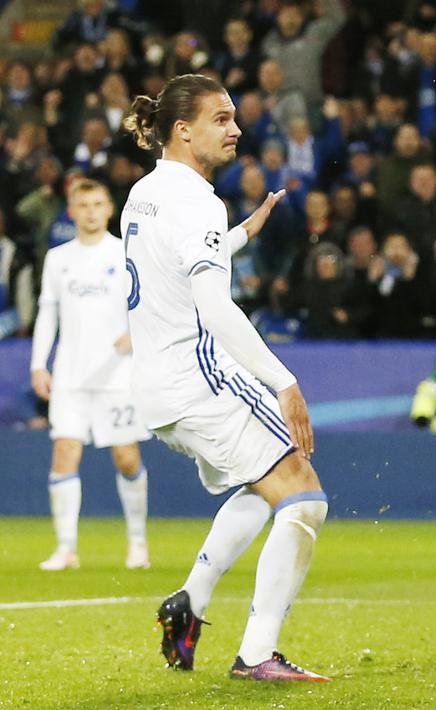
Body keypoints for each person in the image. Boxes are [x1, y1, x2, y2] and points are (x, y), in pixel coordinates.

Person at [120, 74, 329, 682]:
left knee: (261, 488)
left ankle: (188, 603)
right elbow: (214, 309)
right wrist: (284, 381)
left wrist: (237, 235)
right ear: (183, 131)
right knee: (303, 496)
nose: (236, 129)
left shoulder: (144, 193)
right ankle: (257, 654)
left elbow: (170, 267)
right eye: (221, 118)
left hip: (157, 389)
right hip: (202, 376)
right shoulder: (200, 201)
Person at [28, 179, 152, 571]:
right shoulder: (58, 258)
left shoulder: (125, 253)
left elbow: (148, 304)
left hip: (117, 374)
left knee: (126, 458)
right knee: (65, 452)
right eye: (84, 205)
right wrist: (37, 363)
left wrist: (137, 332)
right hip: (69, 373)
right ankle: (66, 548)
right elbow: (47, 312)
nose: (92, 211)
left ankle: (137, 542)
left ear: (110, 208)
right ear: (72, 211)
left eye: (98, 203)